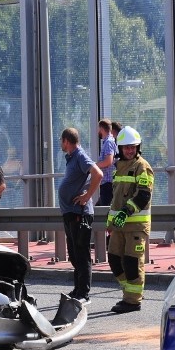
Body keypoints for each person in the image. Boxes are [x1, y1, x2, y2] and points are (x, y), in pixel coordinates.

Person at [107, 126, 154, 314]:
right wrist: (110, 223)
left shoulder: (142, 166)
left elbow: (143, 196)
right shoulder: (117, 168)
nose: (129, 150)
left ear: (138, 147)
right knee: (114, 260)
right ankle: (129, 292)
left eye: (133, 147)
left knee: (132, 263)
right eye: (126, 147)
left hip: (135, 226)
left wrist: (125, 213)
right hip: (118, 225)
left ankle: (133, 301)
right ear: (119, 149)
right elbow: (116, 198)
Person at [58, 128, 103, 302]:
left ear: (66, 141)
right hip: (70, 212)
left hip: (80, 213)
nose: (61, 144)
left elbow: (97, 174)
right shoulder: (72, 158)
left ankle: (84, 293)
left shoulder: (79, 155)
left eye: (61, 141)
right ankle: (78, 289)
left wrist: (86, 196)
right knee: (74, 253)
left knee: (81, 253)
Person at [95, 119, 118, 207]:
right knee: (98, 208)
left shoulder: (108, 142)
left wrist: (94, 166)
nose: (98, 131)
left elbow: (109, 161)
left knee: (102, 211)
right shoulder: (109, 141)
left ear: (101, 129)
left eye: (98, 129)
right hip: (107, 183)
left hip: (108, 184)